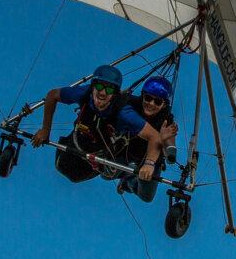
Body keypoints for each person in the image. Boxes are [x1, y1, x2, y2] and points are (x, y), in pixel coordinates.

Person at [30, 65, 176, 186]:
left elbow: (155, 137)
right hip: (76, 143)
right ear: (93, 86)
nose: (103, 92)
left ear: (115, 93)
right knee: (62, 166)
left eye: (109, 89)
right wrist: (45, 129)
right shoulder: (84, 93)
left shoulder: (123, 111)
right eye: (99, 86)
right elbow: (52, 95)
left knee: (83, 175)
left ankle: (127, 179)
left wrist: (150, 164)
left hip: (98, 156)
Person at [117, 76, 177, 202]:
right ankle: (125, 174)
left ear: (164, 104)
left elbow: (169, 152)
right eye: (148, 98)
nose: (151, 104)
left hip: (151, 159)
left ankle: (128, 182)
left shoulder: (165, 120)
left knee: (146, 196)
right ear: (142, 95)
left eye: (157, 102)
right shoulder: (131, 103)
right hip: (127, 151)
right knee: (106, 174)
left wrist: (165, 141)